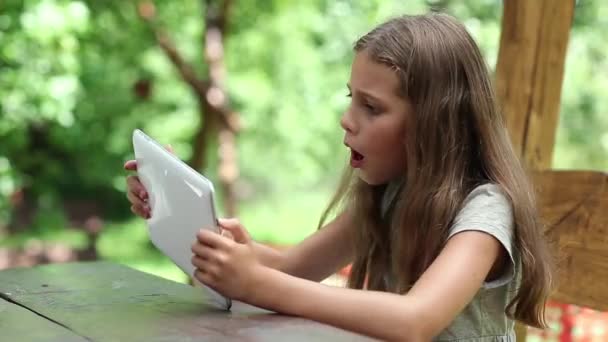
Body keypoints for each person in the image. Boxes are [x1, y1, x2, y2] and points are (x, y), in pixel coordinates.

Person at [124, 13, 553, 341]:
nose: (347, 121)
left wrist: (255, 281)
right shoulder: (388, 193)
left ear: (434, 122)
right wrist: (183, 215)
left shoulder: (485, 210)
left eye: (372, 107)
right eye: (352, 100)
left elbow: (416, 320)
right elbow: (291, 270)